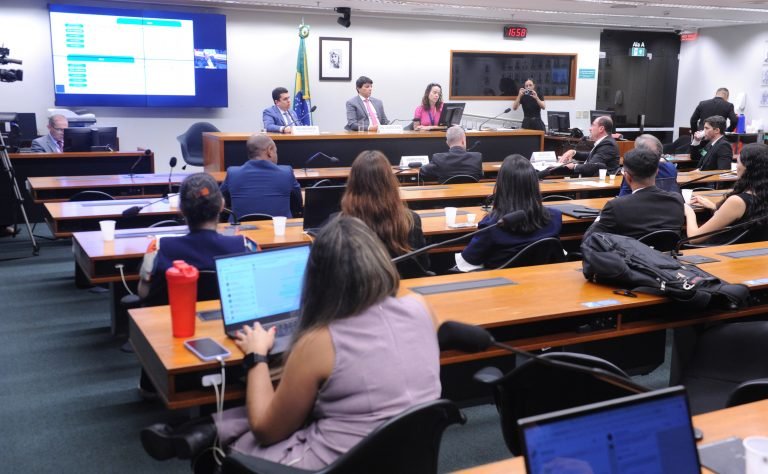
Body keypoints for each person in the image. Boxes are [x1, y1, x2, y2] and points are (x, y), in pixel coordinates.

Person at [140, 216, 441, 471]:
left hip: (338, 465)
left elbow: (266, 429)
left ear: (317, 277)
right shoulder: (420, 307)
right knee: (300, 402)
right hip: (404, 459)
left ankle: (207, 436)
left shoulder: (320, 341)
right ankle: (203, 430)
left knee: (233, 450)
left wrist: (257, 356)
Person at [137, 173, 257, 302]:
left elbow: (144, 293)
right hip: (226, 315)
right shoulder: (246, 247)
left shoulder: (157, 249)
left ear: (181, 208)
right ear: (222, 205)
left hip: (176, 314)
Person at [456, 154, 563, 271]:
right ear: (534, 184)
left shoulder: (492, 225)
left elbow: (469, 260)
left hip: (501, 282)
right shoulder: (555, 217)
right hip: (543, 280)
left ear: (502, 185)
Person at [342, 150, 430, 277]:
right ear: (390, 182)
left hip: (361, 286)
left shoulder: (340, 225)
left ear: (352, 183)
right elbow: (423, 265)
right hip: (402, 285)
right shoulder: (410, 219)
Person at [585, 148, 685, 240]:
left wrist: (601, 215)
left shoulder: (616, 206)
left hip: (628, 254)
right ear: (657, 172)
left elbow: (589, 239)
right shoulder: (676, 200)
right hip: (667, 254)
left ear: (627, 177)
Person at [684, 143, 768, 245]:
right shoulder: (760, 195)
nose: (736, 167)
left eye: (737, 162)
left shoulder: (737, 202)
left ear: (747, 168)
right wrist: (714, 207)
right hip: (751, 251)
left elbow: (694, 238)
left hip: (717, 251)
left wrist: (689, 212)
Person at [220, 134, 303, 219]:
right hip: (279, 227)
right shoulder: (286, 172)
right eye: (276, 151)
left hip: (240, 227)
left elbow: (219, 200)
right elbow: (298, 203)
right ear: (270, 150)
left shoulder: (233, 173)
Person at [553, 115, 620, 177]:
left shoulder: (608, 144)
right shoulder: (605, 142)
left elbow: (591, 166)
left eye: (593, 125)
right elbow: (592, 156)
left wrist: (574, 166)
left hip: (599, 183)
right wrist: (574, 153)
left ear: (601, 129)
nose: (590, 129)